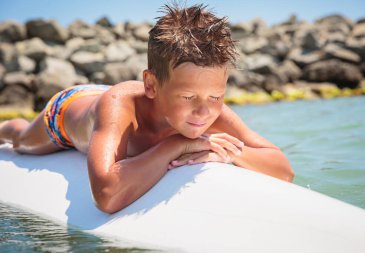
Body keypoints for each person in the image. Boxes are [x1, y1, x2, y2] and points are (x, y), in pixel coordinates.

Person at [0, 3, 294, 214]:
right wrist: (180, 143)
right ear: (151, 85)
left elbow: (283, 169)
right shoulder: (119, 105)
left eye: (216, 96)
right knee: (21, 141)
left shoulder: (208, 106)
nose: (204, 113)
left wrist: (228, 152)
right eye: (188, 97)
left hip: (113, 102)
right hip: (68, 112)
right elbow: (106, 195)